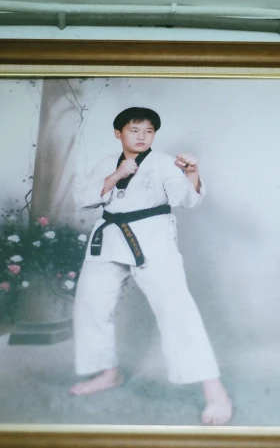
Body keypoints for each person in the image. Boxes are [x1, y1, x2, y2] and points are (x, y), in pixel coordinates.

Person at [69, 106, 233, 425]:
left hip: (152, 241)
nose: (142, 137)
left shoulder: (163, 164)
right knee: (90, 306)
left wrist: (192, 174)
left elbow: (187, 200)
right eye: (134, 130)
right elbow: (83, 198)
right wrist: (116, 175)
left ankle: (215, 392)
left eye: (149, 131)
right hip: (109, 237)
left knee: (176, 310)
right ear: (119, 134)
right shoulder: (107, 162)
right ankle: (108, 373)